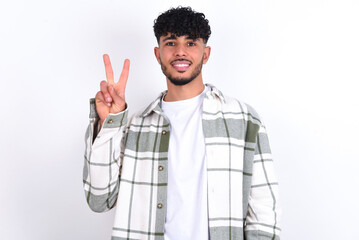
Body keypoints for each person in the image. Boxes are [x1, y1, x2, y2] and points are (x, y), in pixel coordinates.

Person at [83, 6, 280, 240]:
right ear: (158, 54)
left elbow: (263, 211)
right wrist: (110, 123)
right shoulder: (135, 126)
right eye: (171, 42)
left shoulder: (244, 119)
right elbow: (99, 199)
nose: (180, 52)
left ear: (205, 54)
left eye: (191, 43)